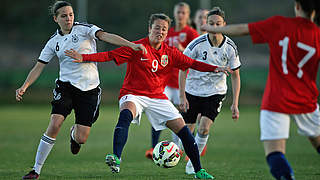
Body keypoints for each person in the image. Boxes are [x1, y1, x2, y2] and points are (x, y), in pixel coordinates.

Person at [65, 13, 231, 179]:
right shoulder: (137, 47)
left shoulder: (170, 53)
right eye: (157, 27)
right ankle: (116, 157)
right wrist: (84, 57)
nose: (160, 31)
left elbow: (192, 63)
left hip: (158, 97)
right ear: (149, 28)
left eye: (164, 29)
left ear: (167, 33)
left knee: (184, 132)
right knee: (125, 115)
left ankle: (198, 171)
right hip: (133, 94)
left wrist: (214, 68)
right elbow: (109, 55)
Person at [16, 1, 146, 179]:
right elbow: (39, 66)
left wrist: (130, 45)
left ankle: (73, 134)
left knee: (82, 138)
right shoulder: (53, 42)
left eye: (70, 14)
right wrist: (24, 86)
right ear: (56, 19)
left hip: (90, 90)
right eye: (63, 15)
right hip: (66, 87)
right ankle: (36, 170)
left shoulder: (85, 29)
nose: (68, 18)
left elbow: (106, 36)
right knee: (54, 124)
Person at [201, 0, 320, 179]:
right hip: (307, 101)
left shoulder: (279, 24)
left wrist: (214, 29)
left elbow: (243, 29)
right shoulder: (317, 34)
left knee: (275, 153)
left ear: (297, 6)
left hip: (276, 101)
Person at [180, 7, 241, 175]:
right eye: (211, 24)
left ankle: (193, 164)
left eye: (218, 24)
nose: (214, 27)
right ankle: (177, 152)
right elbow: (183, 68)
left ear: (224, 25)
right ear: (206, 25)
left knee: (204, 128)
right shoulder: (196, 45)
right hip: (193, 91)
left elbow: (235, 75)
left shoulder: (230, 47)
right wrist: (182, 95)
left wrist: (235, 103)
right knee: (187, 131)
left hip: (215, 93)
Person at [145, 2, 199, 160]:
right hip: (166, 82)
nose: (180, 15)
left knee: (186, 117)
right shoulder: (167, 32)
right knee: (158, 112)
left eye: (183, 12)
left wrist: (183, 51)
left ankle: (186, 149)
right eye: (178, 12)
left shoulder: (191, 33)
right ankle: (153, 147)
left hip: (184, 83)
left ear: (188, 15)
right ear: (175, 14)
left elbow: (195, 57)